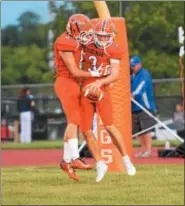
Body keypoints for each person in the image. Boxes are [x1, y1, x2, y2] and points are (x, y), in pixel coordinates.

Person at [80, 19, 136, 182]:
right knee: (85, 129)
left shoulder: (114, 49)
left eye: (106, 36)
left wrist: (100, 82)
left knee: (110, 126)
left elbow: (115, 74)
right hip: (85, 90)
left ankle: (126, 159)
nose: (103, 39)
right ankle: (100, 163)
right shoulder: (87, 44)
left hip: (101, 91)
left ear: (112, 36)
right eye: (100, 36)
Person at [54, 14, 102, 181]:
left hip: (74, 83)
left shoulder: (75, 40)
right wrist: (95, 73)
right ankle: (74, 158)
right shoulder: (65, 41)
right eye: (84, 32)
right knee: (74, 120)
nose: (86, 36)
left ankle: (66, 161)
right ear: (73, 29)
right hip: (66, 82)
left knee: (73, 122)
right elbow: (74, 71)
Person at [130, 56, 156, 157]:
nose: (132, 68)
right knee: (138, 130)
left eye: (134, 66)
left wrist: (132, 94)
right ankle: (143, 150)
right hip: (134, 106)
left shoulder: (144, 74)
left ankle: (148, 151)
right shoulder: (132, 75)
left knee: (146, 129)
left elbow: (142, 87)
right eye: (131, 66)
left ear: (139, 64)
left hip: (145, 106)